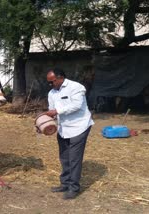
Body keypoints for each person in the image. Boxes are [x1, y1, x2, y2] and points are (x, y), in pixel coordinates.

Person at [44, 68, 94, 200]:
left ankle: (74, 188)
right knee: (64, 157)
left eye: (52, 81)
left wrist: (57, 111)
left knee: (74, 158)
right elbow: (52, 112)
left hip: (79, 126)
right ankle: (65, 183)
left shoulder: (76, 87)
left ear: (60, 78)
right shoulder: (51, 93)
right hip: (63, 128)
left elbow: (76, 105)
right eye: (49, 82)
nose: (50, 85)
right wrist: (44, 125)